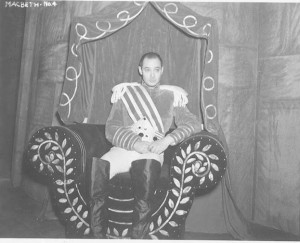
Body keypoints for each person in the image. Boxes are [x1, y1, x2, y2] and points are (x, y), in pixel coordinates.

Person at [89, 52, 202, 239]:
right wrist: (135, 143)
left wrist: (167, 140)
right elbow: (111, 127)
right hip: (125, 147)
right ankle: (97, 236)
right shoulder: (125, 93)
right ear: (140, 70)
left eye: (156, 70)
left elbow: (193, 124)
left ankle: (138, 237)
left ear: (162, 71)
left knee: (146, 172)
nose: (152, 75)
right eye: (147, 69)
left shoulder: (173, 95)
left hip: (152, 149)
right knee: (100, 168)